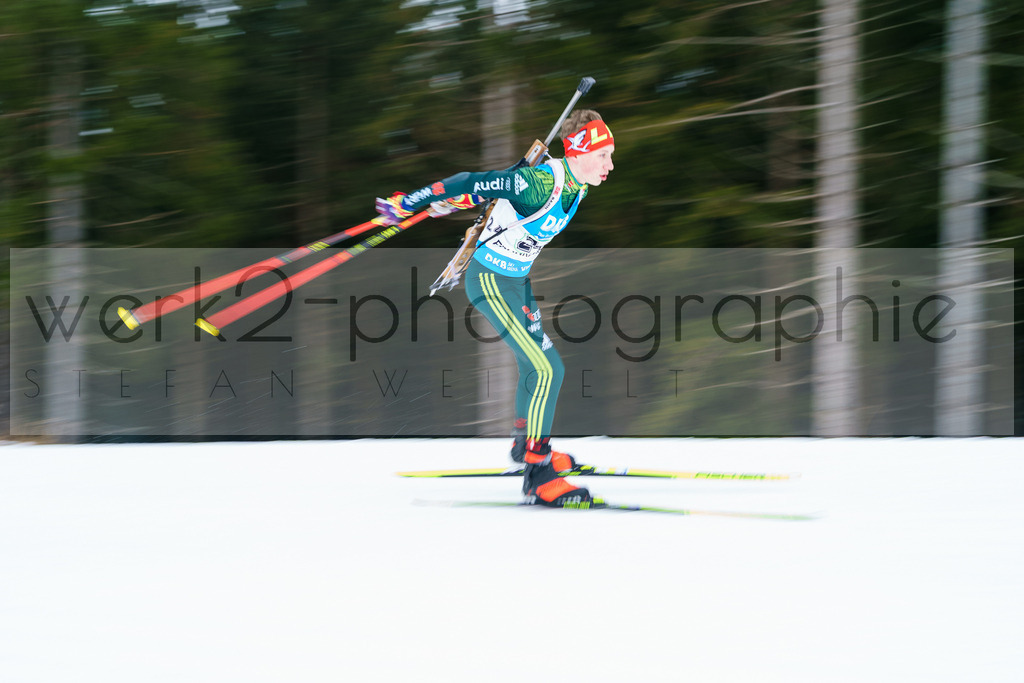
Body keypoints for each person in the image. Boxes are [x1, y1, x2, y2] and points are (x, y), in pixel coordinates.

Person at [375, 110, 615, 507]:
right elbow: (472, 181)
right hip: (490, 282)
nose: (610, 165)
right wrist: (413, 202)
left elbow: (491, 198)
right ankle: (538, 475)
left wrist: (459, 203)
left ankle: (525, 447)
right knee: (547, 368)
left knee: (533, 366)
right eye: (603, 155)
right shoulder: (538, 182)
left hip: (517, 282)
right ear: (579, 152)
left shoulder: (579, 184)